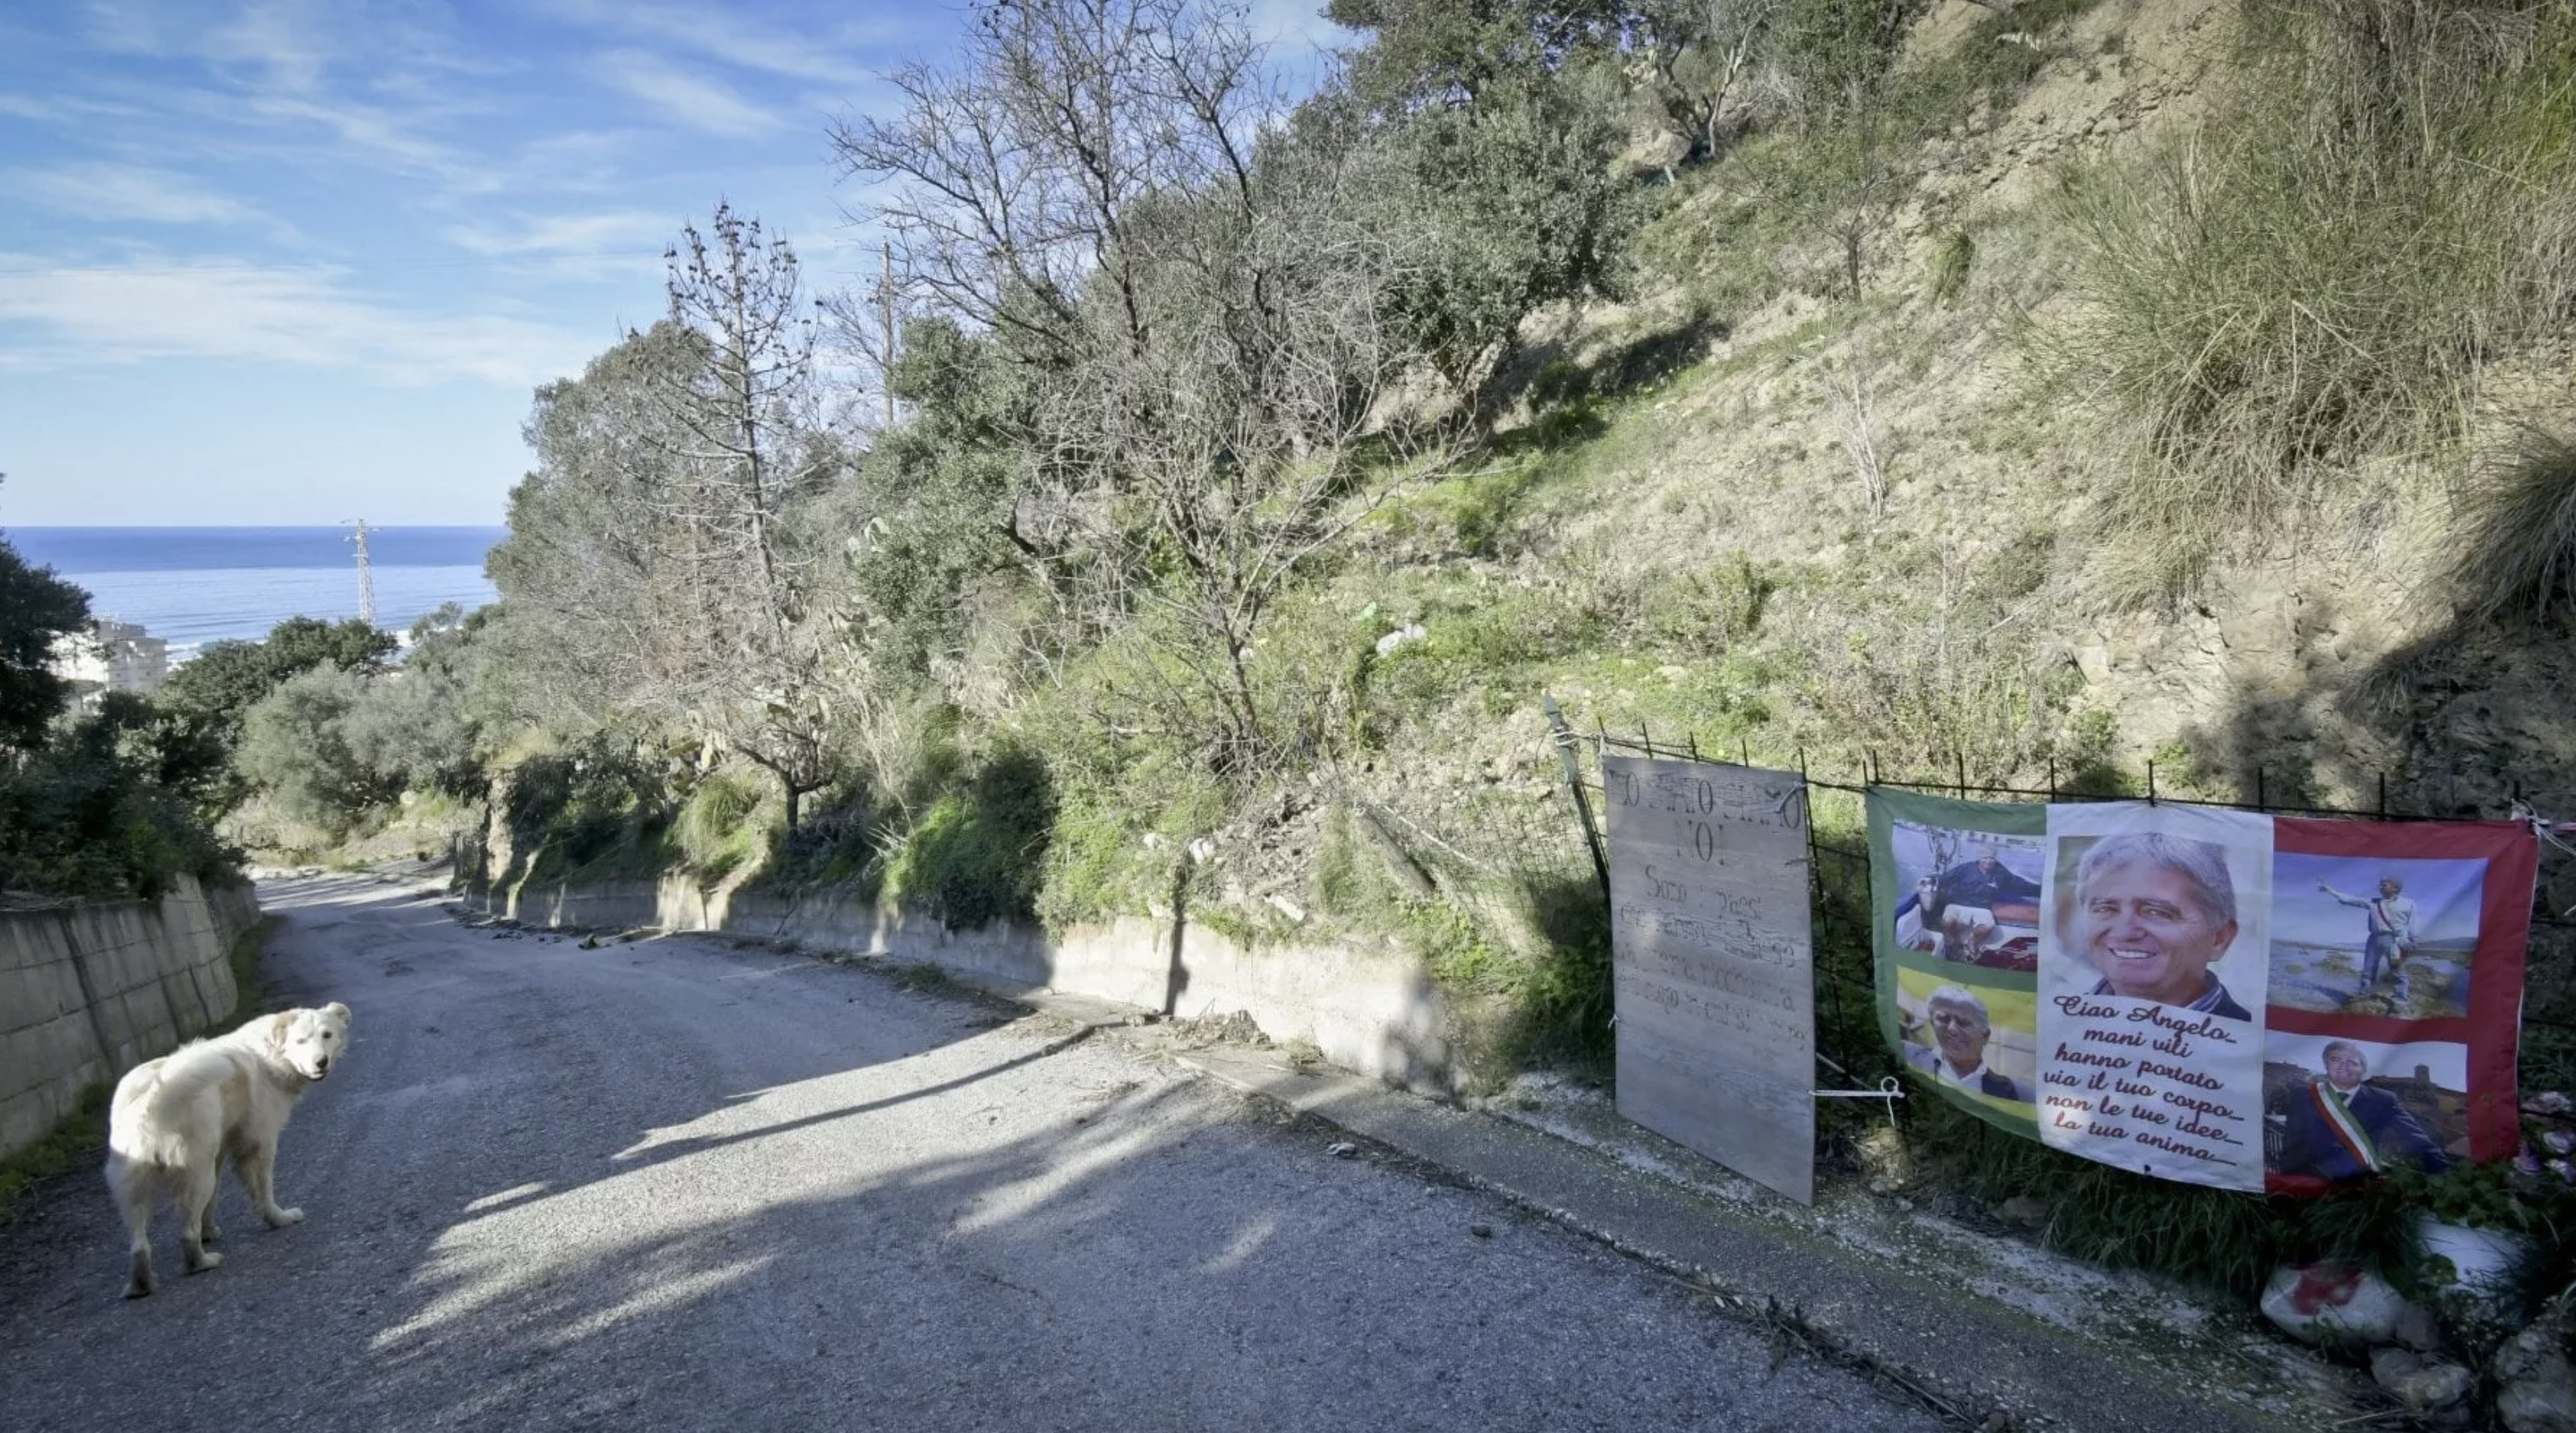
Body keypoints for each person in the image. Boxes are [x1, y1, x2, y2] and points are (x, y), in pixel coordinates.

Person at [2071, 832, 2253, 1020]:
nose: (2125, 932)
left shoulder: (2255, 1044)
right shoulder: (2058, 1025)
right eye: (2105, 908)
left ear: (2219, 939)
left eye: (2157, 912)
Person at [2276, 1041, 2450, 1180]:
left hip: (2356, 1188)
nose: (2344, 1067)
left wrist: (2444, 1174)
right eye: (2336, 1060)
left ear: (2363, 1071)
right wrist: (2287, 1179)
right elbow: (2292, 1139)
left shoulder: (2383, 1100)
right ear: (2326, 1065)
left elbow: (2416, 1139)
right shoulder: (2305, 1095)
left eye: (2352, 1062)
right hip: (2306, 1179)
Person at [1902, 985, 2029, 1102]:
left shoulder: (2005, 1091)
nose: (1952, 1028)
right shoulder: (1906, 1055)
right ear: (1932, 1023)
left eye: (1964, 1022)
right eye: (1943, 1019)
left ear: (1985, 1036)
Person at [1924, 844, 2042, 961]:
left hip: (1982, 908)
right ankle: (1956, 941)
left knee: (1989, 926)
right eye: (1985, 858)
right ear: (1979, 858)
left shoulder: (2001, 873)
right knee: (1948, 921)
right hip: (1957, 904)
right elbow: (1945, 879)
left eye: (1991, 858)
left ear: (1995, 859)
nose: (1988, 861)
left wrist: (2041, 891)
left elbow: (2019, 885)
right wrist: (1930, 882)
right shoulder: (1965, 868)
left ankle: (1972, 942)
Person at [2319, 876, 2417, 995]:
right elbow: (2350, 899)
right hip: (2374, 939)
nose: (2380, 887)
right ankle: (2365, 994)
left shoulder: (2409, 904)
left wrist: (2412, 939)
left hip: (2395, 942)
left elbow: (2412, 924)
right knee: (2369, 969)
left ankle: (2400, 1000)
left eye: (2384, 884)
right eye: (2380, 884)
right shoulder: (2373, 902)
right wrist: (2331, 891)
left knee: (2397, 971)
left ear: (2395, 888)